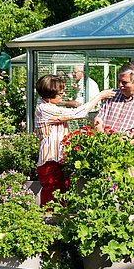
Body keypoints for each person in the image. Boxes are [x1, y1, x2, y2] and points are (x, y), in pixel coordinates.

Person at [34, 74, 115, 205]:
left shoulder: (48, 105)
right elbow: (77, 113)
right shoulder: (45, 109)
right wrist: (99, 96)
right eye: (60, 93)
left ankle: (56, 221)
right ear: (50, 94)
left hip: (58, 159)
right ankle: (49, 222)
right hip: (51, 160)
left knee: (61, 195)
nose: (62, 95)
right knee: (52, 197)